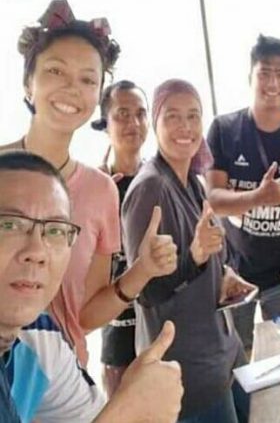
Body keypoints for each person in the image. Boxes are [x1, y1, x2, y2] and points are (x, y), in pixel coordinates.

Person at [0, 0, 175, 366]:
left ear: (97, 97)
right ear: (28, 84)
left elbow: (83, 316)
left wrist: (143, 269)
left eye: (87, 79)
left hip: (64, 377)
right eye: (55, 71)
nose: (71, 88)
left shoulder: (100, 190)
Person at [0, 150, 183, 423]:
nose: (37, 251)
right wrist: (125, 413)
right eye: (10, 224)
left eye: (55, 230)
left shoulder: (40, 338)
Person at [122, 79, 253, 422]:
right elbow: (146, 292)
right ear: (155, 124)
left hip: (223, 354)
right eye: (173, 117)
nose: (186, 127)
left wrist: (223, 275)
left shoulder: (193, 181)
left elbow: (206, 255)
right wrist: (194, 256)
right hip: (187, 376)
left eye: (193, 116)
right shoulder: (150, 188)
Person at [206, 35, 280, 350]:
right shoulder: (224, 130)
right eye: (264, 73)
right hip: (234, 274)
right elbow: (214, 200)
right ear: (250, 77)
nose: (273, 83)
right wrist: (258, 197)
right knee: (236, 357)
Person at [91, 80, 149, 398]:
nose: (133, 123)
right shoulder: (93, 186)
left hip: (162, 331)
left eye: (140, 113)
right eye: (122, 114)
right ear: (105, 123)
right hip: (118, 340)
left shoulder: (160, 180)